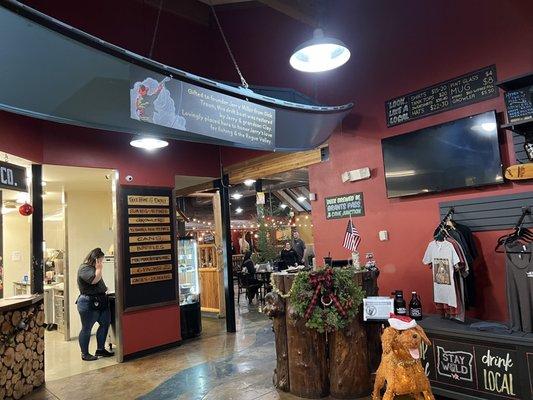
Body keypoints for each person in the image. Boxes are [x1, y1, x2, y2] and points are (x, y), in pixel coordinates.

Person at [76, 248, 114, 361]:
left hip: (101, 301)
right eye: (100, 260)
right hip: (88, 303)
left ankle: (100, 349)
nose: (102, 263)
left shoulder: (93, 268)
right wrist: (99, 269)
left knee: (105, 324)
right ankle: (85, 354)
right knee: (87, 328)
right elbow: (94, 280)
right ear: (95, 260)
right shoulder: (84, 268)